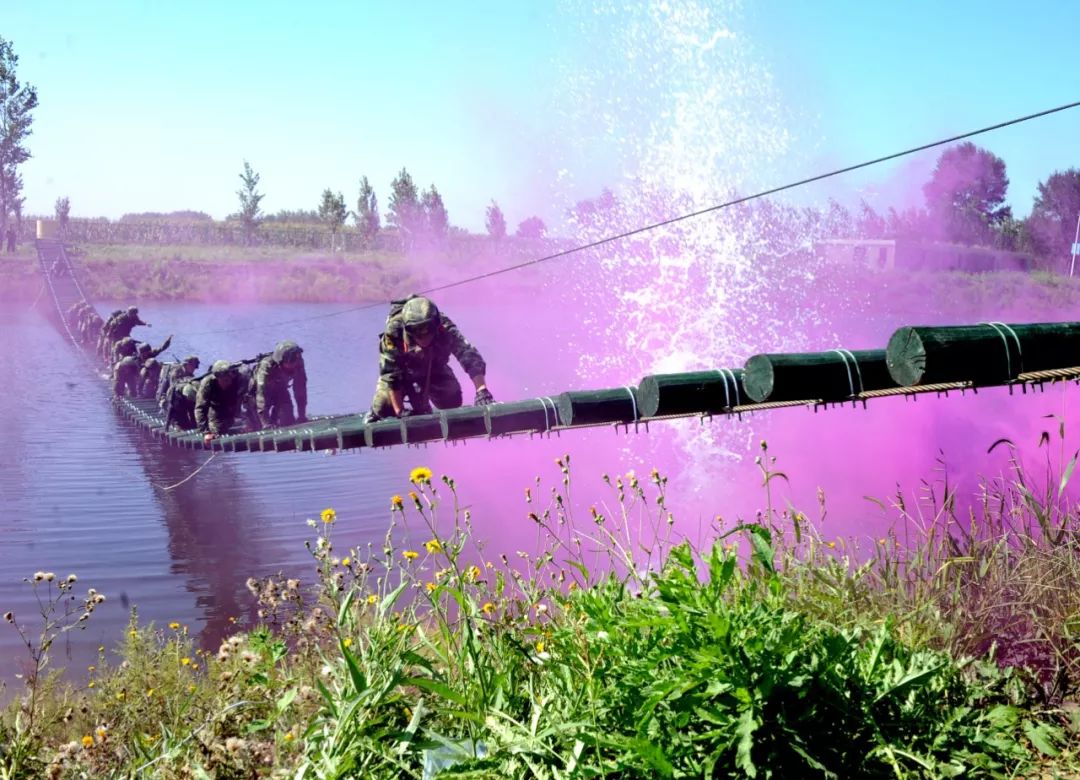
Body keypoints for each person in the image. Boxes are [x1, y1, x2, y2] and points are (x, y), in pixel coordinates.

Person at [366, 295, 493, 421]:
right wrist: (400, 411)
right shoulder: (394, 332)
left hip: (434, 368)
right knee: (384, 408)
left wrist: (482, 390)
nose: (423, 335)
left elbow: (468, 353)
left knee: (452, 400)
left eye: (428, 329)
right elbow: (390, 373)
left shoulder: (445, 327)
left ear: (436, 324)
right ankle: (376, 410)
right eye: (416, 330)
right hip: (402, 374)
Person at [253, 340, 308, 429]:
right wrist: (265, 422)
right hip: (256, 397)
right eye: (291, 360)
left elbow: (300, 389)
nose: (294, 363)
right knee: (255, 426)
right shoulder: (266, 366)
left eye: (296, 359)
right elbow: (260, 393)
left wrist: (302, 415)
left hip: (280, 390)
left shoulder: (298, 364)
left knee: (288, 417)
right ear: (281, 360)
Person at [195, 360, 244, 442]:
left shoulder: (239, 378)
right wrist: (205, 432)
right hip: (216, 407)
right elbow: (200, 408)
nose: (229, 382)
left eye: (230, 379)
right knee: (217, 431)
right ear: (217, 378)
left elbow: (248, 398)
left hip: (232, 406)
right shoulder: (207, 383)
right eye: (225, 380)